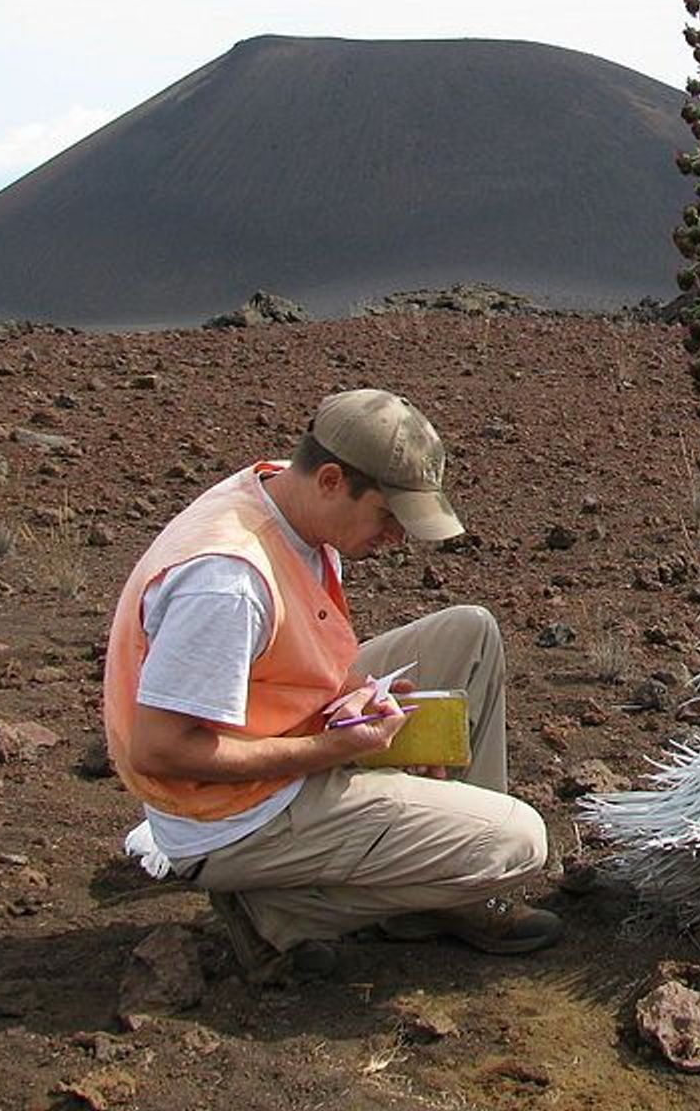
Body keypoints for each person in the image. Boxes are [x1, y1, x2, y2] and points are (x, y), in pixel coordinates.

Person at [101, 387, 558, 978]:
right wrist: (332, 750)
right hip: (232, 816)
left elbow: (285, 662)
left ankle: (451, 898)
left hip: (278, 731)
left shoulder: (285, 499)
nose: (398, 538)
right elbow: (161, 750)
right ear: (331, 481)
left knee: (469, 634)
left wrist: (359, 701)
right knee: (518, 843)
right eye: (389, 517)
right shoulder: (228, 582)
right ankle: (276, 918)